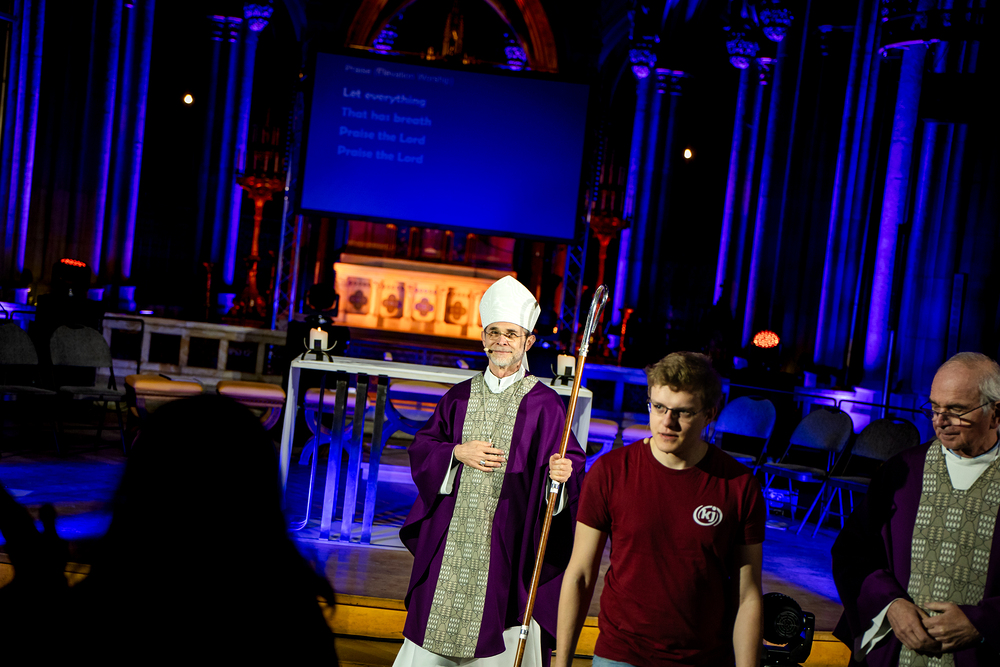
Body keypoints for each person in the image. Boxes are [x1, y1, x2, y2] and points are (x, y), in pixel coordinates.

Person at [394, 275, 586, 667]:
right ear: (483, 339)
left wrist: (561, 475)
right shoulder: (459, 396)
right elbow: (423, 447)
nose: (501, 341)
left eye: (511, 334)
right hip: (451, 537)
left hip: (509, 538)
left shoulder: (546, 404)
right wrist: (455, 453)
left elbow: (569, 463)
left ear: (528, 342)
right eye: (493, 333)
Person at [556, 351, 765, 667]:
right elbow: (580, 575)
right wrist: (562, 663)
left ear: (710, 414)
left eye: (683, 412)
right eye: (658, 407)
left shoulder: (738, 485)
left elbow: (747, 594)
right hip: (621, 654)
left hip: (703, 659)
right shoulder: (610, 472)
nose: (667, 422)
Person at [832, 352, 1000, 667]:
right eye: (934, 408)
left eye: (956, 410)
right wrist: (890, 605)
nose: (940, 422)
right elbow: (852, 554)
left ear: (996, 413)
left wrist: (983, 622)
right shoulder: (902, 471)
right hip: (896, 653)